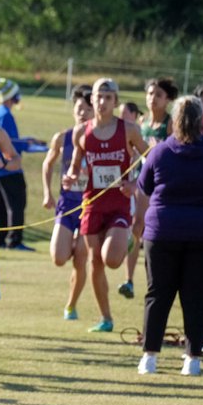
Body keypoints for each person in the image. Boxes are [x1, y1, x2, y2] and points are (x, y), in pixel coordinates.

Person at [136, 96, 203, 376]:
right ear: (202, 120)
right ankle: (192, 358)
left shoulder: (159, 152)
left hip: (163, 231)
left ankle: (150, 356)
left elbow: (144, 185)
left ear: (174, 121)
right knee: (198, 295)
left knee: (158, 293)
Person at [64, 78, 150, 333]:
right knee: (95, 261)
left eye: (108, 98)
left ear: (115, 101)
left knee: (111, 259)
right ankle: (106, 318)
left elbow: (150, 159)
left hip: (118, 204)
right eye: (98, 97)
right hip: (92, 203)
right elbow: (75, 165)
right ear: (91, 99)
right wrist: (70, 177)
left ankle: (127, 240)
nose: (102, 102)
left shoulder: (129, 130)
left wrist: (134, 184)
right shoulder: (81, 132)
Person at [41, 88, 94, 320]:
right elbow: (47, 163)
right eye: (79, 109)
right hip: (66, 202)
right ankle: (72, 241)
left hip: (89, 204)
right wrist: (47, 193)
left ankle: (71, 306)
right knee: (59, 257)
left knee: (81, 258)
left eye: (87, 109)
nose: (82, 113)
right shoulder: (62, 137)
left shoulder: (99, 138)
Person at [0, 77, 34, 250]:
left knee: (0, 205)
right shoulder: (6, 115)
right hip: (10, 169)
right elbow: (10, 143)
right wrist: (27, 144)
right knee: (16, 205)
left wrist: (25, 140)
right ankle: (15, 240)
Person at [117, 101, 145, 299]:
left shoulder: (139, 131)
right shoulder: (118, 132)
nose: (121, 119)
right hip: (129, 188)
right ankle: (129, 279)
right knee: (135, 230)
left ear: (134, 115)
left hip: (146, 187)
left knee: (140, 231)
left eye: (125, 115)